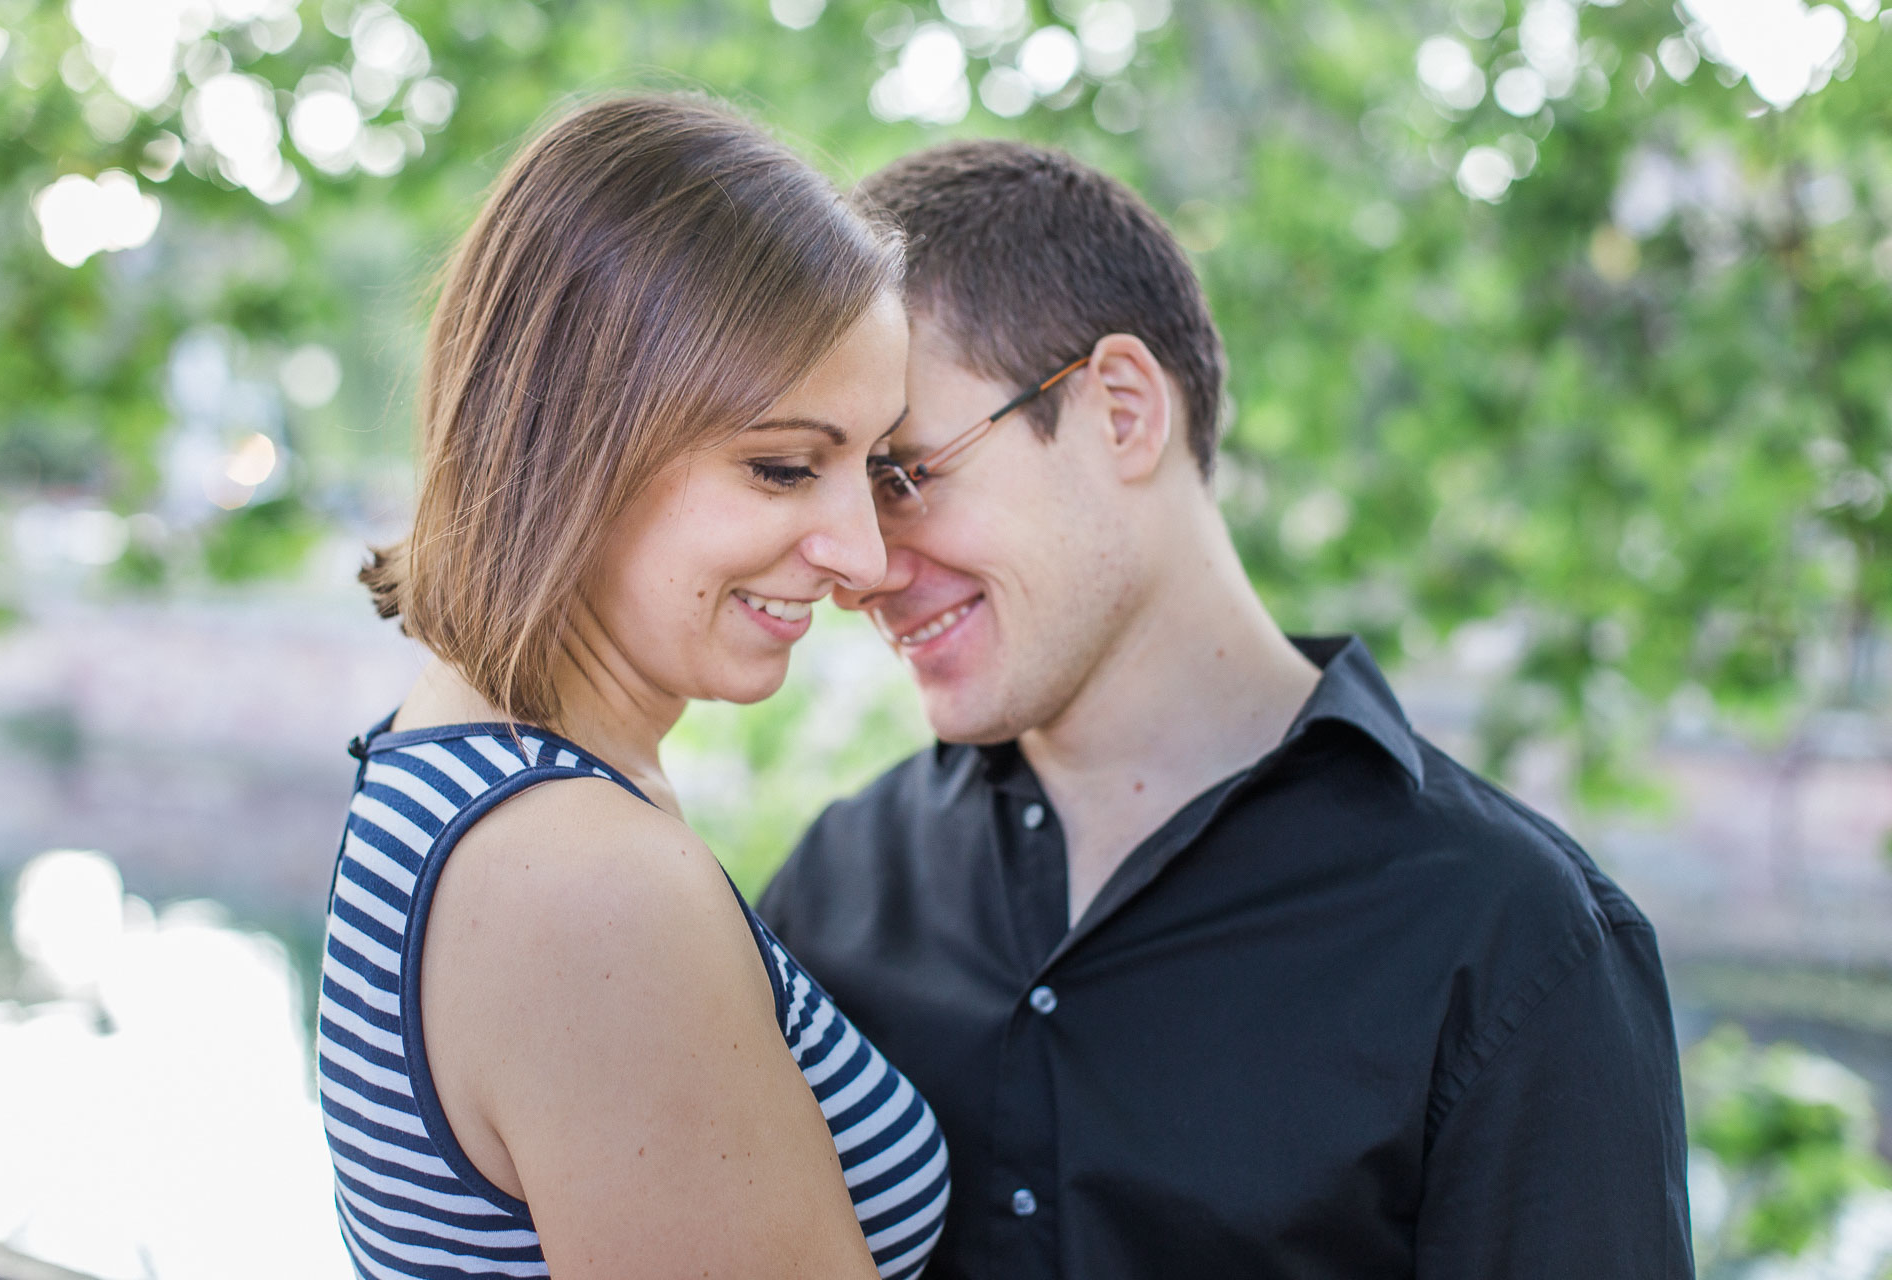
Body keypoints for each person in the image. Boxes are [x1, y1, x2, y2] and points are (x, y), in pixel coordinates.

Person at [757, 140, 1693, 1278]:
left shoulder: (1517, 941)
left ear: (1120, 409)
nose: (858, 564)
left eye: (903, 475)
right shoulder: (838, 885)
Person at [315, 95, 948, 1280]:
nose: (865, 554)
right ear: (574, 439)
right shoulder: (585, 880)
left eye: (877, 465)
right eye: (782, 467)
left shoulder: (451, 759)